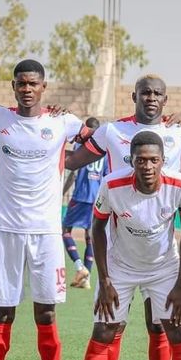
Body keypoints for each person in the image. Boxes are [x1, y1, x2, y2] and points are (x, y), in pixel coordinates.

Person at [65, 74, 181, 360]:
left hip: (163, 265)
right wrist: (105, 279)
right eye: (141, 160)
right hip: (120, 263)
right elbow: (95, 225)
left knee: (171, 331)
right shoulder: (112, 157)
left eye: (154, 160)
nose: (147, 166)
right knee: (106, 330)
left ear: (164, 160)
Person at [0, 59, 94, 360]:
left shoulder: (60, 122)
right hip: (7, 231)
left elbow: (97, 136)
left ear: (43, 87)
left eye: (33, 84)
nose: (27, 89)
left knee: (46, 314)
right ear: (13, 86)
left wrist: (70, 159)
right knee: (2, 314)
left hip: (46, 234)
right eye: (21, 83)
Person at [62, 117, 104, 290]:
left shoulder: (81, 147)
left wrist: (62, 192)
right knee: (90, 236)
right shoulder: (104, 150)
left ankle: (80, 267)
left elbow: (73, 173)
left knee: (65, 231)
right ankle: (86, 277)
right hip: (97, 198)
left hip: (81, 196)